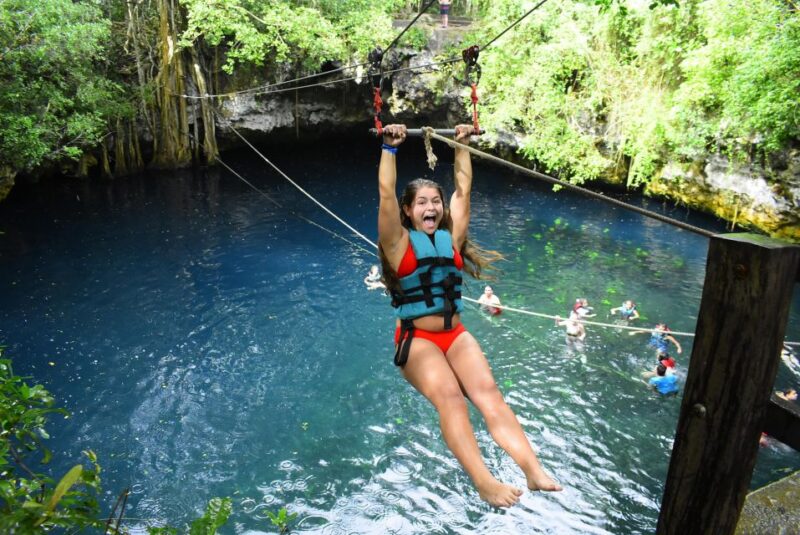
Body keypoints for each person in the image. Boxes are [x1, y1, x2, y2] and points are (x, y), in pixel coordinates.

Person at [377, 123, 561, 508]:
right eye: (422, 203)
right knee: (451, 399)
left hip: (455, 334)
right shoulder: (397, 243)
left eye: (435, 201)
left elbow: (463, 190)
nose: (431, 207)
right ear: (409, 211)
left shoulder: (451, 238)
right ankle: (484, 481)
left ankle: (532, 469)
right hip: (418, 340)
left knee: (489, 395)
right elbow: (385, 195)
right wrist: (390, 149)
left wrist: (461, 147)